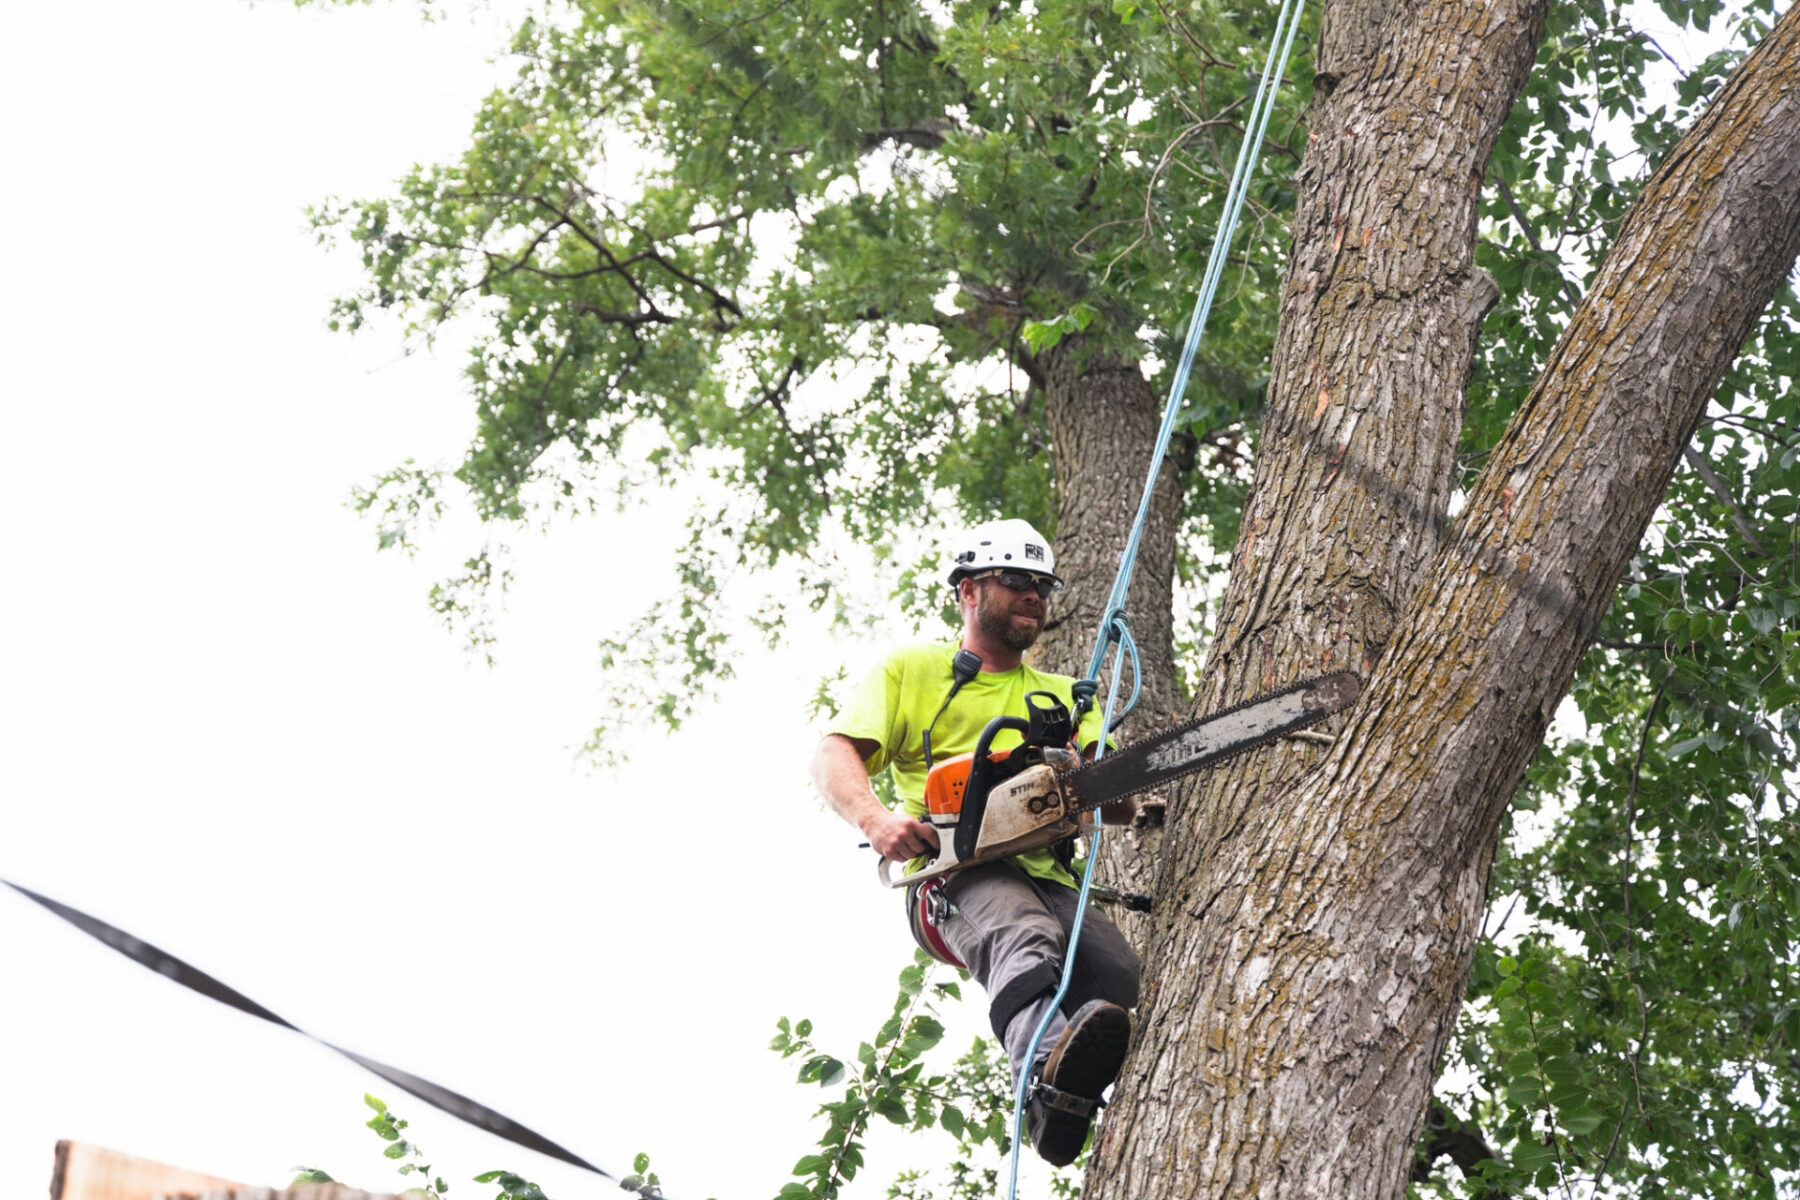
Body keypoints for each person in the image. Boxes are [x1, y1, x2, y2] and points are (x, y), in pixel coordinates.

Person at [811, 517, 1142, 1166]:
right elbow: (833, 753)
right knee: (1021, 935)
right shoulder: (917, 670)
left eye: (1041, 586)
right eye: (1015, 580)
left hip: (1049, 874)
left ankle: (1067, 1106)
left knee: (1117, 975)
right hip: (952, 870)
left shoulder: (1061, 698)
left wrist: (1097, 779)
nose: (1032, 596)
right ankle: (1041, 1069)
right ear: (968, 591)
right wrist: (877, 821)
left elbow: (1118, 801)